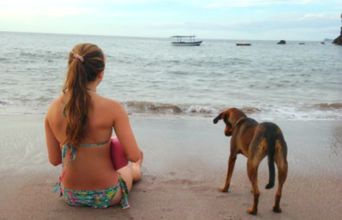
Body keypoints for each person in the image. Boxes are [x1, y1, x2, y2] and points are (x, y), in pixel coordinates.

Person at [44, 43, 143, 209]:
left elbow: (54, 160)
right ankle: (136, 170)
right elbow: (133, 154)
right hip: (107, 195)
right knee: (130, 168)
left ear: (71, 68)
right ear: (101, 74)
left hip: (70, 195)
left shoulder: (52, 108)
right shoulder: (113, 108)